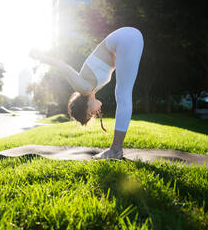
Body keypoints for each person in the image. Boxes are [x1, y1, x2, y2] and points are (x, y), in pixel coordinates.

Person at [30, 27, 144, 159]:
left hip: (126, 38)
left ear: (84, 105)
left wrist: (40, 56)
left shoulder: (83, 87)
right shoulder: (92, 87)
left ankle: (116, 149)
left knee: (122, 94)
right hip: (128, 38)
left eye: (90, 113)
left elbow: (64, 67)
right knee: (123, 93)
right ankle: (116, 149)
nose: (95, 113)